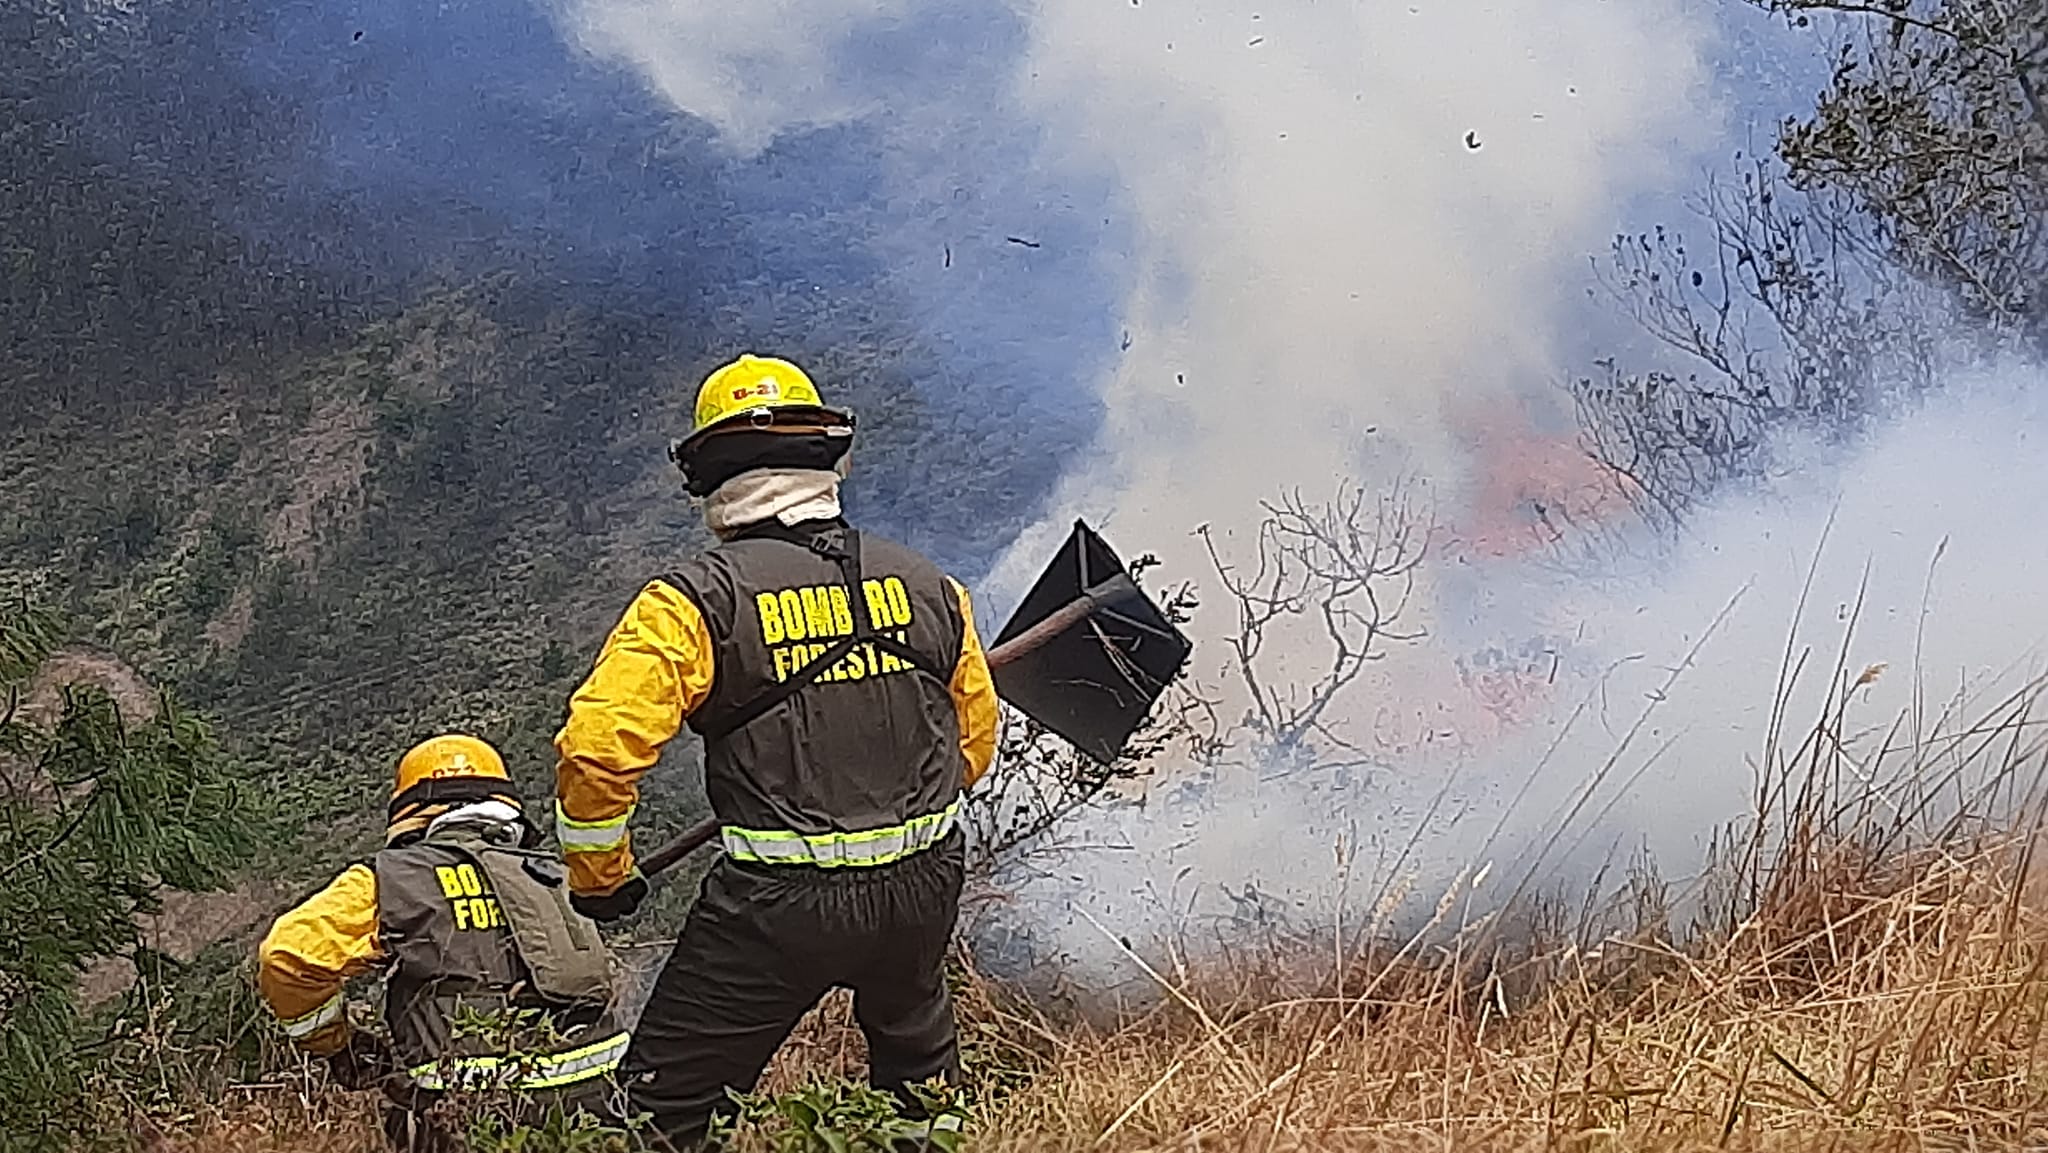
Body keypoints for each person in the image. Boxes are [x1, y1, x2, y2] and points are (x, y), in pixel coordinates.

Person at [553, 352, 1000, 1148]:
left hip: (776, 908)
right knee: (921, 1096)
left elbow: (596, 750)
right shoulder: (931, 584)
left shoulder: (694, 602)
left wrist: (602, 877)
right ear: (828, 457)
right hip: (921, 891)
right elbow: (975, 742)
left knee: (657, 1118)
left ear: (709, 475)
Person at [257, 734, 628, 1152]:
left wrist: (339, 1046)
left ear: (412, 813)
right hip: (605, 1113)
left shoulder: (390, 878)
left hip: (467, 1121)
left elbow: (285, 958)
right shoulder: (559, 876)